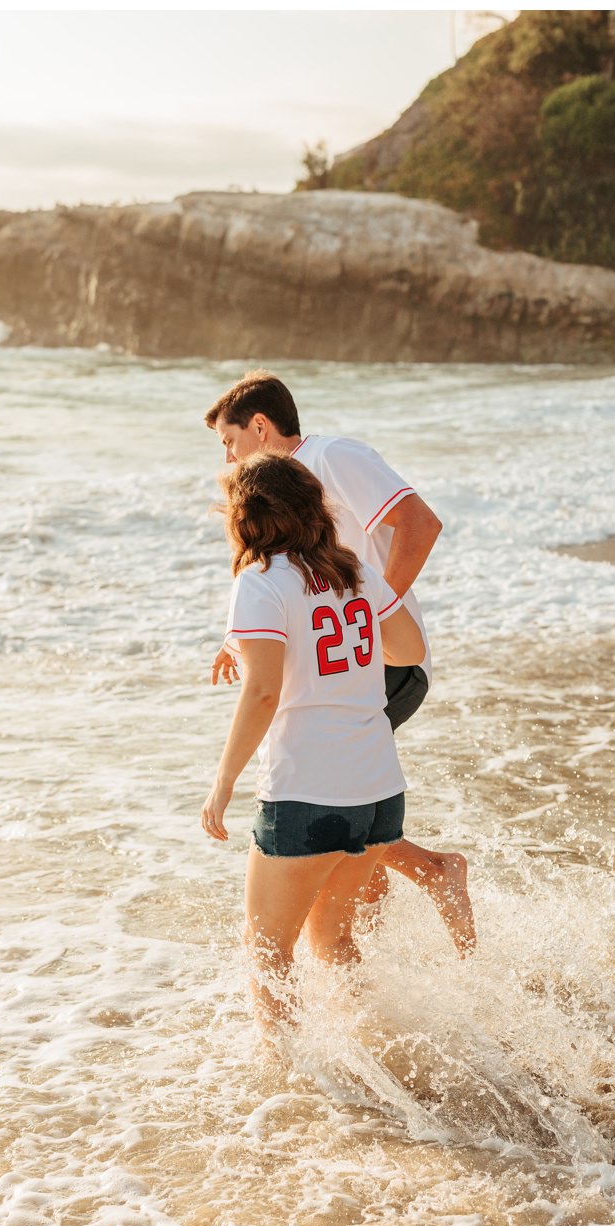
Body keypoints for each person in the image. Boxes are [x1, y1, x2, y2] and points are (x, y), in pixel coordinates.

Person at [204, 370, 475, 955]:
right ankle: (357, 954)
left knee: (330, 786)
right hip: (360, 645)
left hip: (383, 658)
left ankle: (428, 874)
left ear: (260, 426)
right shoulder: (292, 541)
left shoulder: (334, 456)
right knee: (350, 801)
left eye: (229, 443)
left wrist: (363, 610)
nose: (226, 459)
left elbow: (422, 524)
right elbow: (300, 593)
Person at [200, 453, 427, 1032]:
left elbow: (262, 694)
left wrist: (222, 783)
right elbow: (407, 651)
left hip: (307, 791)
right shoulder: (352, 570)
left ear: (247, 517)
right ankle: (376, 1048)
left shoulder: (261, 580)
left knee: (268, 955)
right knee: (334, 939)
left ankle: (292, 1087)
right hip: (379, 790)